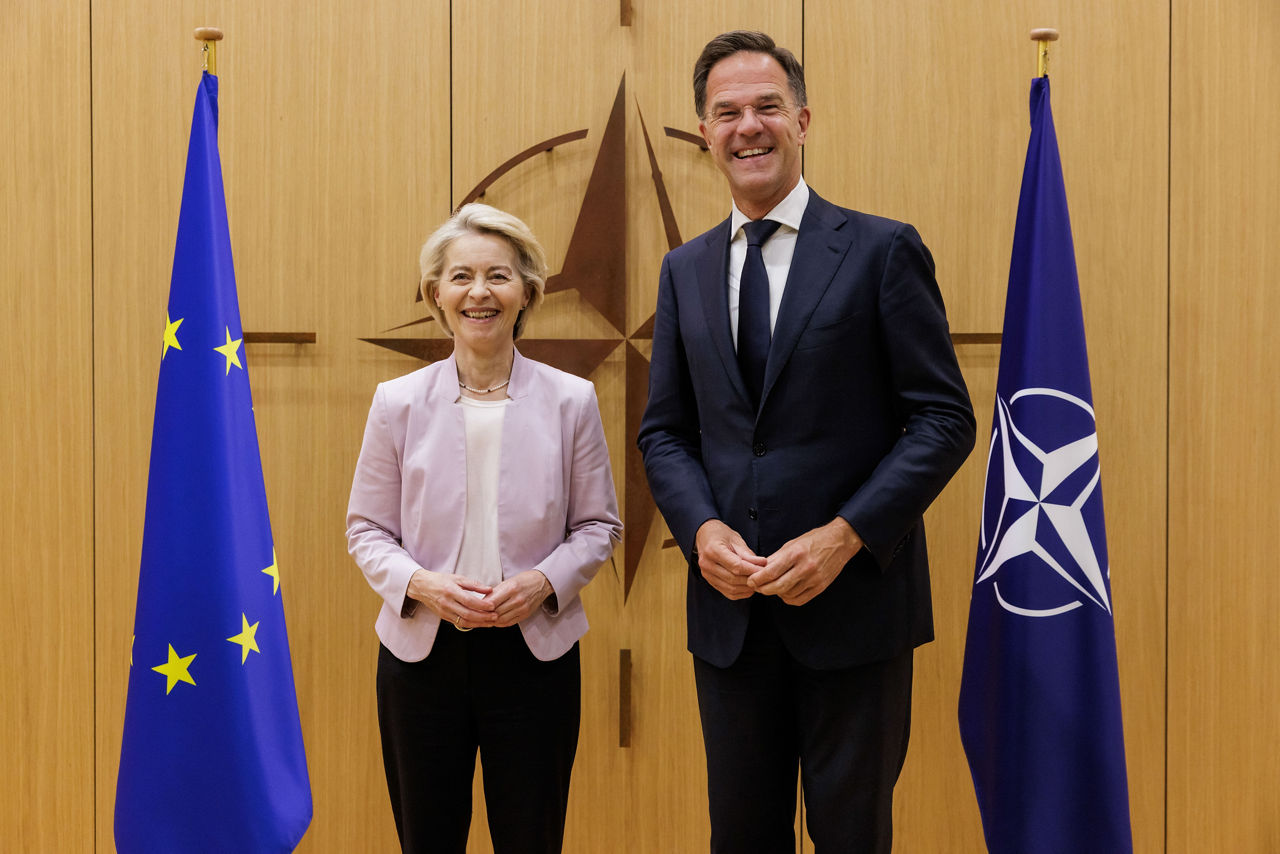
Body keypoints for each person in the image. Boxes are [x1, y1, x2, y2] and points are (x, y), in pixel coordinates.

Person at [638, 31, 976, 853]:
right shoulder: (684, 270)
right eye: (727, 113)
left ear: (803, 120)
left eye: (767, 107)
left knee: (851, 835)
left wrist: (844, 536)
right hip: (731, 617)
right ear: (705, 131)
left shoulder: (882, 249)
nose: (748, 127)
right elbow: (666, 433)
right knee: (741, 836)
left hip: (855, 609)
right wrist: (701, 530)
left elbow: (943, 419)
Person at [347, 203, 622, 854]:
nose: (479, 292)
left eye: (498, 275)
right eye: (461, 276)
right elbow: (366, 530)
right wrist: (422, 584)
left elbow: (598, 526)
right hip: (421, 656)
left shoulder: (571, 400)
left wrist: (542, 582)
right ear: (435, 294)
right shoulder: (396, 402)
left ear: (528, 292)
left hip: (535, 656)